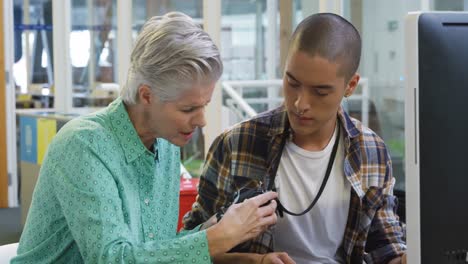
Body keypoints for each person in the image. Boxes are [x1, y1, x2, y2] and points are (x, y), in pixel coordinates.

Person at [12, 12, 279, 264]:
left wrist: (242, 256)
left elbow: (153, 251)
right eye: (188, 109)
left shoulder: (166, 145)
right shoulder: (83, 145)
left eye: (204, 105)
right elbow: (112, 258)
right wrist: (218, 238)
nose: (201, 121)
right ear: (146, 95)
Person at [183, 13, 407, 264]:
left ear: (350, 85)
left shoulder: (371, 151)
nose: (301, 104)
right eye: (292, 83)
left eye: (320, 92)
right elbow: (190, 248)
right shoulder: (237, 143)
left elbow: (387, 249)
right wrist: (254, 261)